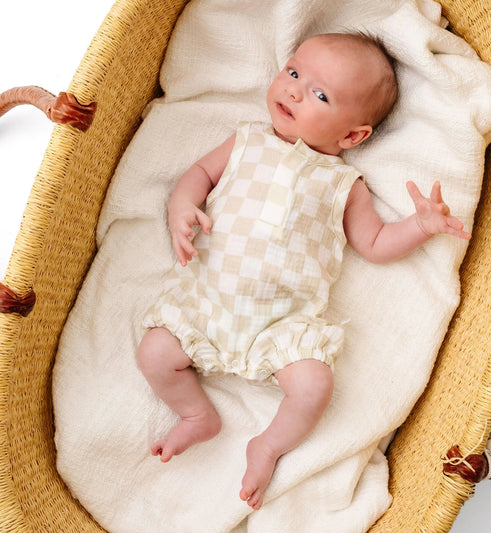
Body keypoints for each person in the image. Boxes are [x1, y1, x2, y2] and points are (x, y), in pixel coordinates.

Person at [136, 32, 471, 511]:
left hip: (282, 323)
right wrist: (182, 206)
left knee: (315, 386)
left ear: (352, 137)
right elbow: (199, 175)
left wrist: (419, 226)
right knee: (154, 352)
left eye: (319, 95)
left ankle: (268, 446)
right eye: (293, 72)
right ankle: (195, 415)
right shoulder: (247, 140)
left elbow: (375, 244)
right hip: (206, 300)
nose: (293, 90)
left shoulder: (344, 184)